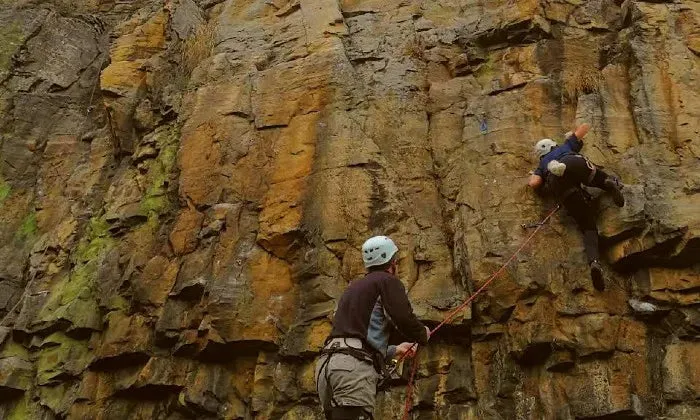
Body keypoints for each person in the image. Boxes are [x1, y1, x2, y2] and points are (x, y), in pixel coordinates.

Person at [315, 235, 430, 419]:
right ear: (392, 262)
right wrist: (422, 333)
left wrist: (394, 350)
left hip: (327, 367)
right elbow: (403, 318)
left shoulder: (353, 288)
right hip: (352, 369)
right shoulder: (387, 281)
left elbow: (357, 334)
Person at [527, 123, 625, 291]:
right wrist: (571, 135)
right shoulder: (565, 146)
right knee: (594, 177)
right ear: (552, 145)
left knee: (588, 226)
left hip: (558, 183)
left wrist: (537, 175)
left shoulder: (542, 165)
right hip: (573, 161)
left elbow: (534, 183)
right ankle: (608, 183)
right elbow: (584, 128)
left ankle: (594, 262)